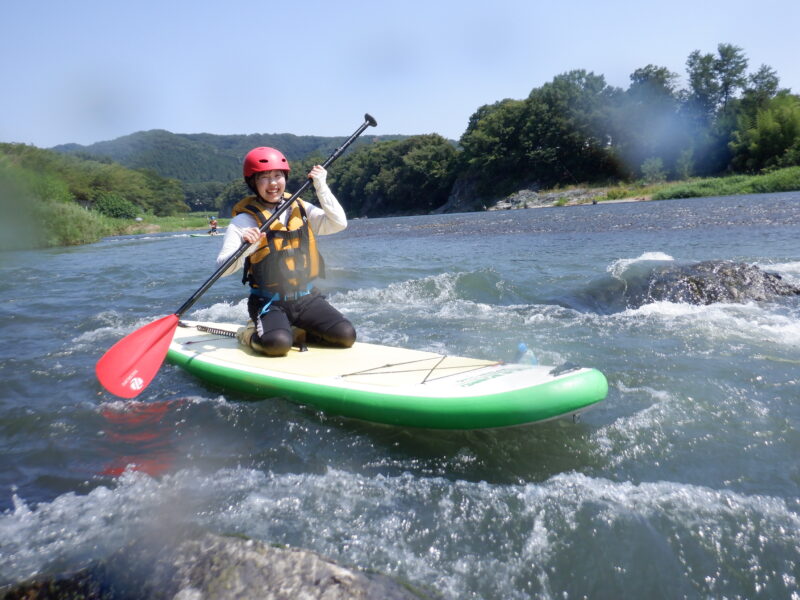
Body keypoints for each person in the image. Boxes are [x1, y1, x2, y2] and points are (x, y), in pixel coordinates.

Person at [216, 146, 356, 357]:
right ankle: (248, 333)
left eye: (278, 176)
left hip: (306, 297)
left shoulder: (300, 207)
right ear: (253, 183)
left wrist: (321, 186)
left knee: (346, 336)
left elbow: (338, 224)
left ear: (285, 177)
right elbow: (221, 268)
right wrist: (248, 247)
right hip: (269, 301)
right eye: (264, 178)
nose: (273, 183)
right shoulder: (243, 221)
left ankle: (296, 329)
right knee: (277, 345)